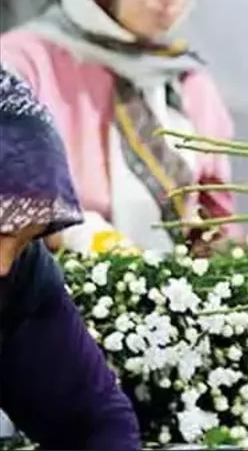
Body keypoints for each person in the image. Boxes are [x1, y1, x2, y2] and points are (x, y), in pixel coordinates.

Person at [0, 0, 236, 255]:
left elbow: (214, 229)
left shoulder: (188, 84)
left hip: (169, 302)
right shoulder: (21, 62)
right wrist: (90, 241)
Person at [0, 64, 141, 450]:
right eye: (1, 231)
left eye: (26, 239)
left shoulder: (21, 278)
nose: (4, 264)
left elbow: (95, 420)